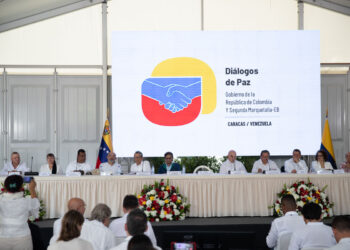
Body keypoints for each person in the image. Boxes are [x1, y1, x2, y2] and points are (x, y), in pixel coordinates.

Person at [0, 175, 40, 250]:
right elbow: (35, 209)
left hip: (2, 237)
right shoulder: (27, 201)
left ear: (5, 187)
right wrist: (32, 189)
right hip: (23, 238)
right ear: (21, 187)